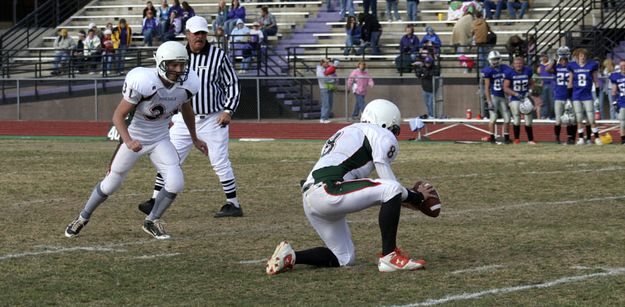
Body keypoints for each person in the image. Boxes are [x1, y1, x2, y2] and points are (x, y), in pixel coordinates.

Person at [265, 99, 437, 275]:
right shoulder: (380, 133)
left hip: (311, 196)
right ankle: (389, 257)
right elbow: (390, 185)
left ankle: (292, 257)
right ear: (387, 123)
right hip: (328, 190)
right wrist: (417, 197)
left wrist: (406, 197)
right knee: (392, 188)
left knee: (344, 257)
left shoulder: (345, 132)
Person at [64, 41, 207, 240]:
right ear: (162, 64)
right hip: (135, 136)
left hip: (160, 138)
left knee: (176, 183)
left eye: (182, 64)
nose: (179, 69)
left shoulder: (187, 84)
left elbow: (187, 109)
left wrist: (194, 137)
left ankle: (152, 220)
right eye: (174, 65)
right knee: (111, 185)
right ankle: (82, 217)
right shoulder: (144, 81)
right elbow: (117, 116)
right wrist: (128, 141)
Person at [137, 16, 243, 219]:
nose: (200, 37)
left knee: (219, 161)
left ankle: (233, 203)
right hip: (183, 120)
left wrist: (228, 110)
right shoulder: (177, 55)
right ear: (187, 34)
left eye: (203, 33)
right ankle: (154, 200)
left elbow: (233, 84)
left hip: (213, 117)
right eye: (196, 33)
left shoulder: (218, 56)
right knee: (169, 158)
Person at [568, 48, 601, 145]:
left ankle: (597, 138)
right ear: (578, 56)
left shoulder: (592, 65)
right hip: (576, 95)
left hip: (587, 95)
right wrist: (568, 99)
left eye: (584, 55)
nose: (583, 57)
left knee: (591, 118)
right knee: (579, 118)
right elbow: (570, 82)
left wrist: (597, 96)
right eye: (581, 55)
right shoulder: (572, 66)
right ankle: (581, 138)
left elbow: (596, 81)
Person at [504, 56, 536, 144]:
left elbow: (532, 83)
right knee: (516, 118)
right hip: (515, 98)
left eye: (520, 63)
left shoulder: (527, 71)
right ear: (513, 65)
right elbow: (506, 88)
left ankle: (530, 139)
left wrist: (530, 91)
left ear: (523, 64)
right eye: (516, 64)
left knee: (528, 120)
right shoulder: (510, 73)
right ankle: (517, 139)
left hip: (525, 97)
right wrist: (515, 94)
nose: (518, 65)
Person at [482, 50, 512, 144]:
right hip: (494, 96)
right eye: (493, 59)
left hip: (504, 96)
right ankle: (492, 137)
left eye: (497, 59)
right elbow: (487, 87)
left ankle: (506, 137)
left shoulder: (505, 68)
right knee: (493, 117)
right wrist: (489, 101)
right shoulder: (488, 70)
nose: (495, 61)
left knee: (507, 118)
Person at [549, 46, 575, 144]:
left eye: (565, 60)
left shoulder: (571, 67)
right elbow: (548, 69)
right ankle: (557, 138)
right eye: (562, 60)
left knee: (570, 118)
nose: (563, 62)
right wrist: (555, 59)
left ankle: (570, 138)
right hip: (559, 96)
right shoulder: (557, 66)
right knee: (558, 119)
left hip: (569, 96)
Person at [610, 59, 625, 144]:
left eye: (624, 65)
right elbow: (614, 91)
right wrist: (614, 101)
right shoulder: (616, 76)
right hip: (622, 101)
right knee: (622, 122)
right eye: (622, 66)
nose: (623, 67)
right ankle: (623, 139)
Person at [317, 58, 334, 123]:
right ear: (322, 63)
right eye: (326, 62)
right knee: (325, 103)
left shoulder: (327, 69)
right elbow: (323, 79)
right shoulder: (319, 70)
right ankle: (323, 118)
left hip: (329, 87)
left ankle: (326, 117)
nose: (327, 64)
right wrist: (331, 80)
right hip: (324, 88)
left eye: (328, 62)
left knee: (330, 103)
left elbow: (332, 75)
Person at [538, 52, 554, 119]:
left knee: (552, 101)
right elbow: (541, 75)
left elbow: (552, 72)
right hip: (544, 85)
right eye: (542, 56)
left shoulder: (551, 65)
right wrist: (541, 83)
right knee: (544, 100)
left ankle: (552, 115)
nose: (544, 58)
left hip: (551, 84)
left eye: (545, 56)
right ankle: (544, 115)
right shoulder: (540, 66)